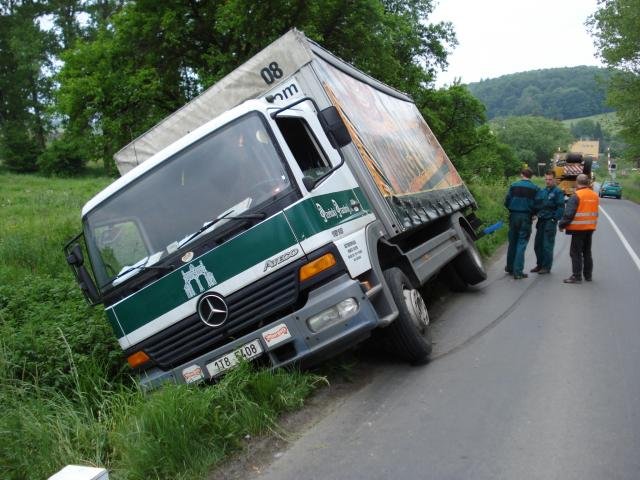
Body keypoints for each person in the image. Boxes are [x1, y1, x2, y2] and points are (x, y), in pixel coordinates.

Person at [558, 173, 599, 284]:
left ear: (577, 182)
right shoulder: (594, 195)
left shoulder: (576, 196)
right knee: (587, 252)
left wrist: (561, 225)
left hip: (578, 229)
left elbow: (569, 214)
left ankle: (576, 276)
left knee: (575, 253)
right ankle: (588, 275)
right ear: (587, 183)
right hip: (590, 228)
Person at [504, 167, 540, 279]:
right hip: (526, 217)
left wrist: (511, 208)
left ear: (521, 175)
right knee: (521, 243)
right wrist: (534, 213)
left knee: (512, 242)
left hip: (513, 215)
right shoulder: (535, 188)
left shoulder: (514, 185)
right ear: (531, 176)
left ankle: (509, 267)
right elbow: (538, 203)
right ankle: (518, 272)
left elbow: (507, 200)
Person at [531, 171, 565, 274]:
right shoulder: (543, 191)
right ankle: (539, 265)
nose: (548, 181)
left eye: (550, 179)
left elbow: (560, 207)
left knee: (547, 245)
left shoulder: (558, 192)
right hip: (541, 221)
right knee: (538, 245)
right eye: (546, 179)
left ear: (554, 179)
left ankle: (546, 267)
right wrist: (534, 213)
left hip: (550, 221)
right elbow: (537, 204)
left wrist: (554, 219)